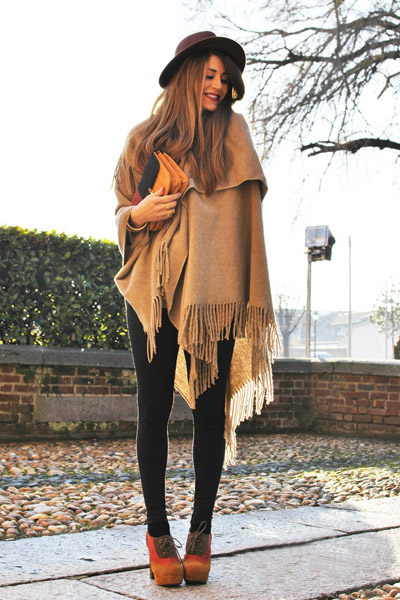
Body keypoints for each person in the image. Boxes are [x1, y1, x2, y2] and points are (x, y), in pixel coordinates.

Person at [113, 31, 280, 587]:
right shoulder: (144, 139)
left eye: (224, 78)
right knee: (154, 409)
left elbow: (242, 218)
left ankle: (201, 530)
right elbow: (123, 212)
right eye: (208, 76)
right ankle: (157, 533)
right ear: (186, 76)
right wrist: (138, 215)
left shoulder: (234, 134)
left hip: (215, 296)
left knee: (211, 411)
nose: (217, 86)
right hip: (156, 290)